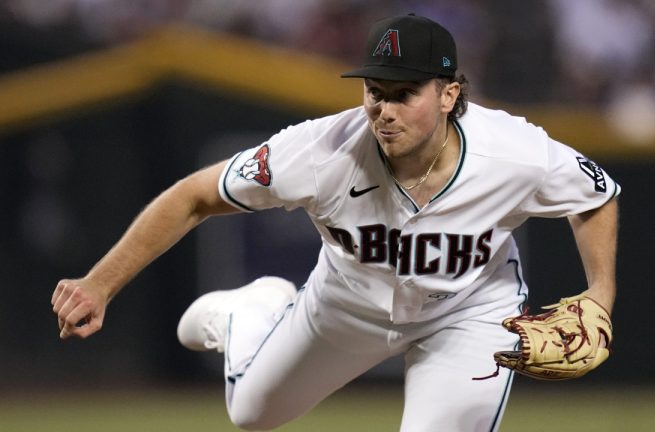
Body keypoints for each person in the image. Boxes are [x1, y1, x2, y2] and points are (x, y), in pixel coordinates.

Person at [51, 14, 620, 431]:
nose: (384, 109)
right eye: (375, 92)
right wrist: (100, 283)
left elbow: (594, 196)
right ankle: (250, 314)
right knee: (252, 415)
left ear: (449, 94)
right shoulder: (318, 151)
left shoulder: (514, 151)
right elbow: (194, 196)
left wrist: (599, 294)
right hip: (346, 303)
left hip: (468, 314)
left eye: (404, 93)